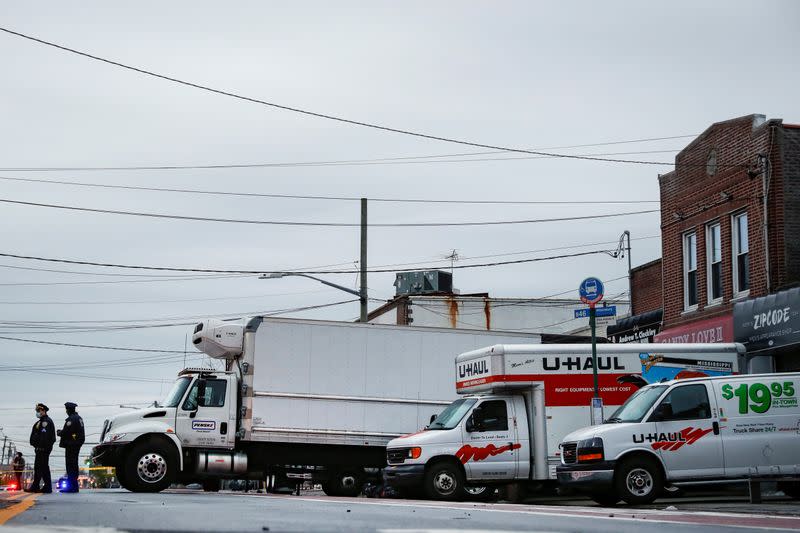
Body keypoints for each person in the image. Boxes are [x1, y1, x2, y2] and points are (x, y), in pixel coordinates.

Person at [27, 403, 55, 493]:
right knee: (41, 468)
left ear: (44, 411)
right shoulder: (40, 422)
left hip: (43, 449)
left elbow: (44, 437)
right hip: (39, 448)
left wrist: (42, 447)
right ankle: (42, 486)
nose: (38, 412)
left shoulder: (45, 422)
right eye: (37, 411)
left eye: (39, 411)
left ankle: (41, 486)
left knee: (41, 467)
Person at [58, 402, 85, 493]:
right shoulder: (79, 418)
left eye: (66, 409)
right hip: (76, 444)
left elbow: (66, 432)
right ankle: (74, 486)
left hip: (71, 444)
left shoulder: (71, 419)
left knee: (70, 466)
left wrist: (59, 433)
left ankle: (72, 487)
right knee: (74, 465)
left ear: (68, 410)